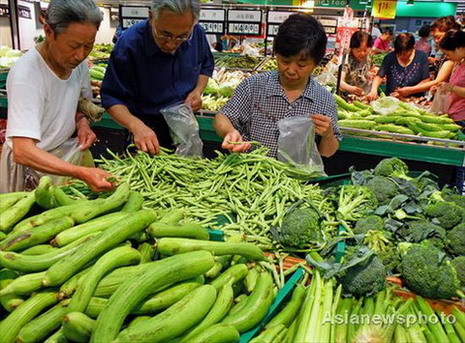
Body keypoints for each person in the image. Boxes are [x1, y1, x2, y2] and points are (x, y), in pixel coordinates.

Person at [0, 0, 114, 193]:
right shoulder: (27, 76)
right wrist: (80, 172)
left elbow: (80, 103)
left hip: (63, 155)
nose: (80, 55)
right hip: (30, 166)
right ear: (48, 31)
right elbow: (23, 150)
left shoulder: (77, 65)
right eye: (73, 45)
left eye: (88, 46)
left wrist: (82, 124)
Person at [213, 14, 341, 159]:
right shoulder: (253, 86)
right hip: (251, 170)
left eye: (301, 65)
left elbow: (328, 151)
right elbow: (222, 117)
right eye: (285, 61)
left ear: (317, 63)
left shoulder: (324, 100)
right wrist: (230, 132)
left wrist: (328, 135)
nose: (291, 70)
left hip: (297, 178)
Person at [100, 0, 214, 155]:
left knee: (190, 172)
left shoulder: (197, 34)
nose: (171, 44)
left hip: (184, 125)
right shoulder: (129, 44)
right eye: (164, 34)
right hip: (145, 130)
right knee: (145, 174)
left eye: (182, 36)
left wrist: (197, 90)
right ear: (151, 17)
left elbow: (206, 65)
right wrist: (135, 125)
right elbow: (111, 98)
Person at [393, 16, 459, 98]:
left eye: (439, 37)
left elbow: (439, 81)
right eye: (434, 37)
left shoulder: (452, 58)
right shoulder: (445, 55)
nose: (436, 41)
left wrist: (410, 90)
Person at [366, 33, 430, 100]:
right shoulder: (390, 57)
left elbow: (425, 80)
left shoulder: (421, 57)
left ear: (413, 47)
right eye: (398, 53)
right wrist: (373, 89)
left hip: (414, 101)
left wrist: (410, 90)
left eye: (405, 53)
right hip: (391, 100)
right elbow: (379, 76)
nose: (401, 56)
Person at [339, 31, 374, 98]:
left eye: (365, 50)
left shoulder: (368, 59)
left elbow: (364, 72)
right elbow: (339, 82)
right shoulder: (345, 60)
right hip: (344, 99)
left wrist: (368, 75)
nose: (362, 53)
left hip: (360, 98)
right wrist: (350, 88)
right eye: (358, 50)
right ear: (352, 48)